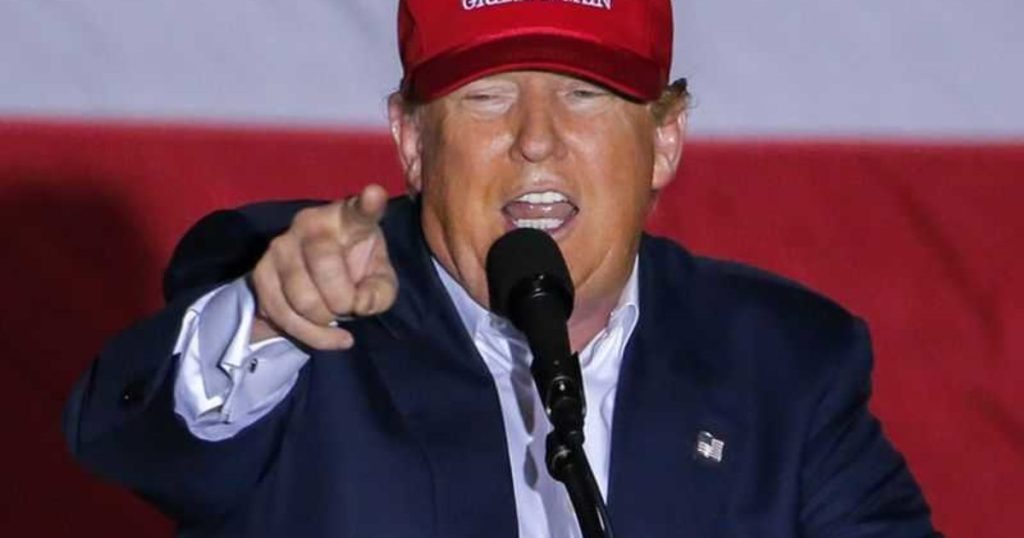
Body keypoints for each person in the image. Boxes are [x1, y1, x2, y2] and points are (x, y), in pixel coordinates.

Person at [64, 0, 940, 536]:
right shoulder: (304, 316)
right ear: (413, 141)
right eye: (487, 97)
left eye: (584, 94)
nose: (536, 139)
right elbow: (137, 438)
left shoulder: (783, 365)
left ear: (665, 140)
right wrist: (271, 316)